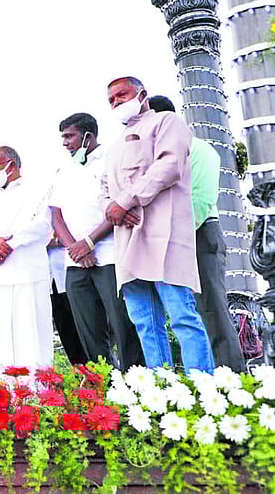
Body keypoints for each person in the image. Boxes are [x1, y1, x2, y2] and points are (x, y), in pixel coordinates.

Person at [101, 77, 214, 373]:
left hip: (164, 235)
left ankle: (203, 387)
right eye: (111, 100)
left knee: (182, 317)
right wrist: (115, 209)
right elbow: (104, 190)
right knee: (144, 322)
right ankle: (162, 388)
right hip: (127, 240)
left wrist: (126, 201)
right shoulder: (114, 148)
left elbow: (169, 166)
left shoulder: (167, 122)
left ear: (142, 94)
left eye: (121, 95)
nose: (116, 102)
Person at [147, 95, 245, 372]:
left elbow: (199, 203)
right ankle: (203, 375)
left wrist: (173, 240)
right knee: (188, 311)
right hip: (174, 237)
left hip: (199, 235)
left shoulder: (198, 150)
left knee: (212, 307)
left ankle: (230, 375)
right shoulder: (160, 158)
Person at [51, 112, 144, 370]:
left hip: (110, 256)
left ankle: (136, 382)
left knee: (123, 325)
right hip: (75, 263)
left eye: (69, 136)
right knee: (88, 331)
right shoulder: (64, 171)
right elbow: (56, 215)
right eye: (63, 137)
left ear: (87, 136)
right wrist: (75, 248)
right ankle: (103, 384)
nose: (65, 143)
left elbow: (119, 207)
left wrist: (89, 243)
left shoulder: (111, 161)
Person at [0, 146, 54, 373]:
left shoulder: (36, 190)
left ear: (12, 165)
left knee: (31, 332)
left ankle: (37, 386)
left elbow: (42, 226)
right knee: (1, 336)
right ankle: (4, 387)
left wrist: (10, 244)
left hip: (27, 272)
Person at [47, 236, 89, 365]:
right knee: (65, 329)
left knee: (86, 327)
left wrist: (56, 240)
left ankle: (99, 368)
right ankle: (79, 370)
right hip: (49, 278)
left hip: (74, 268)